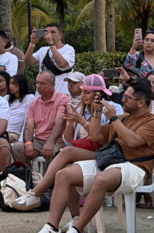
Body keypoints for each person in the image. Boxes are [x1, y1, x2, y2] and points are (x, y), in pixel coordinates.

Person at [27, 78, 154, 233]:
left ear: (141, 102)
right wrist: (97, 114)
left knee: (101, 179)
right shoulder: (124, 119)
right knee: (64, 174)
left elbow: (133, 141)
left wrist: (113, 119)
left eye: (127, 98)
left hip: (137, 168)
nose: (122, 99)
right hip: (113, 162)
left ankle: (76, 230)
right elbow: (95, 136)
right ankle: (52, 227)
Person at [12, 74, 121, 210]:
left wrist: (80, 120)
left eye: (87, 92)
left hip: (105, 152)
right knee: (65, 168)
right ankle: (71, 215)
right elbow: (69, 140)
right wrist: (70, 122)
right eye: (82, 92)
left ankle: (37, 192)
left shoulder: (112, 108)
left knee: (64, 152)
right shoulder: (81, 108)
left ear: (98, 94)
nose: (83, 96)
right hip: (83, 151)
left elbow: (101, 138)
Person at [6, 71, 69, 175]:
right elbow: (29, 126)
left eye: (42, 83)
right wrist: (28, 143)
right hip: (38, 140)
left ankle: (49, 182)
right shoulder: (34, 102)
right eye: (37, 83)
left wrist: (50, 142)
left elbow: (59, 122)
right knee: (17, 148)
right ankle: (29, 177)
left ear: (53, 84)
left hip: (57, 140)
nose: (38, 86)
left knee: (54, 152)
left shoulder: (62, 99)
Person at [24, 23, 75, 94]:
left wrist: (51, 44)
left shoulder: (68, 49)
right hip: (41, 94)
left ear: (60, 35)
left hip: (61, 93)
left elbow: (61, 64)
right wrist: (32, 43)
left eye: (53, 32)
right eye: (46, 32)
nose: (49, 35)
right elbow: (27, 62)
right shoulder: (43, 50)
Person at [5, 74, 33, 141]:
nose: (10, 86)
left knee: (2, 139)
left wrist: (21, 139)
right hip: (3, 131)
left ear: (21, 84)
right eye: (9, 83)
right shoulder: (7, 98)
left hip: (14, 133)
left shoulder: (29, 98)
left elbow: (27, 119)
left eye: (13, 83)